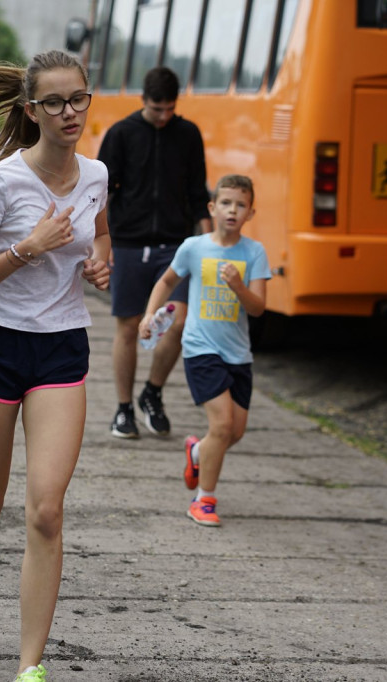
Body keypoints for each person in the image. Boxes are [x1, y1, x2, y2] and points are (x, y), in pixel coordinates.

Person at [0, 50, 110, 682]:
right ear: (32, 111)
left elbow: (100, 234)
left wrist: (100, 263)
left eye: (78, 99)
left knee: (46, 510)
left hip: (61, 349)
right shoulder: (0, 183)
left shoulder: (96, 175)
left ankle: (29, 668)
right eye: (55, 102)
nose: (69, 112)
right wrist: (27, 249)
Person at [139, 174, 270, 527]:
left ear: (250, 213)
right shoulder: (194, 247)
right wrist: (151, 313)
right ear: (212, 208)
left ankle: (197, 451)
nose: (233, 210)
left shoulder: (254, 252)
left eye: (240, 205)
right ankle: (204, 500)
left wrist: (239, 286)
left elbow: (258, 308)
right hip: (200, 349)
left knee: (234, 432)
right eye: (226, 203)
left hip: (238, 354)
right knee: (223, 425)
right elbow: (167, 280)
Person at [98, 66, 212, 440]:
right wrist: (102, 243)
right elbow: (101, 195)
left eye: (170, 109)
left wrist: (209, 246)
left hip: (175, 245)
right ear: (143, 101)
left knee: (177, 323)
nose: (164, 117)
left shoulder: (188, 134)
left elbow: (198, 194)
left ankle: (153, 392)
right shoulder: (121, 134)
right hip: (129, 244)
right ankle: (124, 408)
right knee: (129, 327)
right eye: (156, 109)